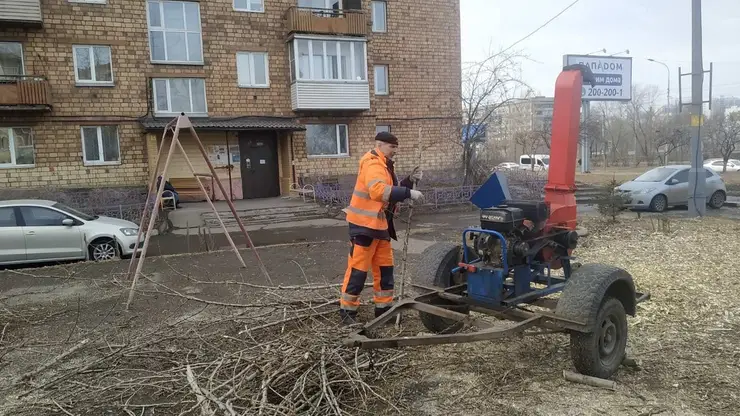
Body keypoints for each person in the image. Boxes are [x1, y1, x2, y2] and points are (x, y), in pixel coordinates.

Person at [339, 131, 424, 325]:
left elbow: (389, 191)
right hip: (363, 227)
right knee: (358, 271)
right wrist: (409, 192)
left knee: (385, 270)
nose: (395, 151)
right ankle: (347, 313)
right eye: (392, 147)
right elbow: (378, 191)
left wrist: (409, 181)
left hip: (379, 226)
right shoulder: (373, 163)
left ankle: (383, 310)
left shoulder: (384, 165)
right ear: (380, 145)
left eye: (396, 147)